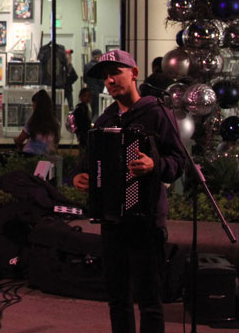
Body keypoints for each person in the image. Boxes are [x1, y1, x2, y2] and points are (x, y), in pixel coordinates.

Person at [71, 50, 186, 333]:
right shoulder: (105, 120)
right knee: (117, 299)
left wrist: (154, 164)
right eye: (105, 77)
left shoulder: (157, 113)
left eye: (116, 73)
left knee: (149, 300)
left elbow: (179, 162)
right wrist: (79, 176)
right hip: (112, 220)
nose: (109, 80)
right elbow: (88, 163)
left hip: (146, 220)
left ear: (133, 73)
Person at [14, 88, 59, 155]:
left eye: (33, 104)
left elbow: (19, 140)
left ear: (37, 105)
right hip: (47, 158)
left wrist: (15, 140)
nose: (32, 106)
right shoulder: (55, 123)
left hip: (30, 156)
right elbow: (56, 141)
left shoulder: (33, 121)